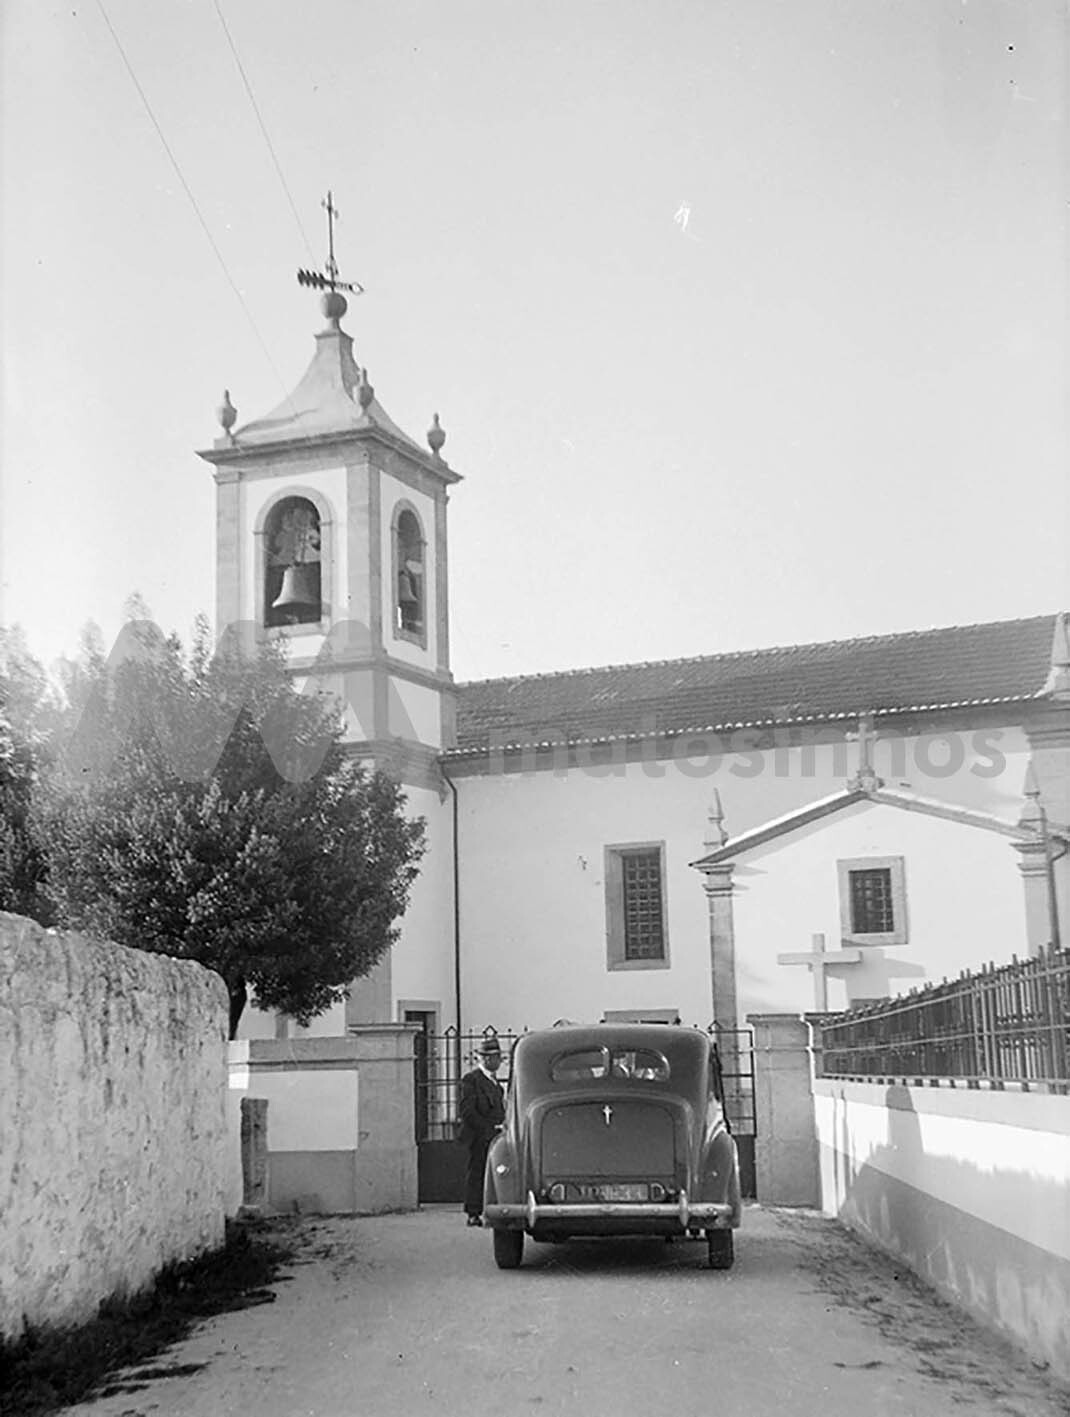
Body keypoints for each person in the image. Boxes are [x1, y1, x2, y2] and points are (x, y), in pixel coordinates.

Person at [458, 1036, 505, 1226]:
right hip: (478, 1136)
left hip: (495, 1135)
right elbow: (467, 1111)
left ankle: (490, 1208)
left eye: (498, 1057)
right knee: (477, 1172)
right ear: (485, 1059)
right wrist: (487, 1128)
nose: (498, 1062)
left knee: (492, 1173)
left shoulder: (496, 1083)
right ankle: (473, 1212)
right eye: (494, 1057)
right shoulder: (472, 1080)